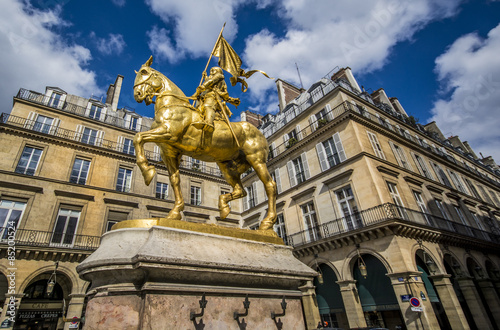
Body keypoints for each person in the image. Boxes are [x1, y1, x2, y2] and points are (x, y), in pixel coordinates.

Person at [192, 67, 240, 133]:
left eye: (213, 70)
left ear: (217, 71)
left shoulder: (219, 76)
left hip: (212, 96)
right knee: (197, 109)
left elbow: (211, 82)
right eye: (211, 70)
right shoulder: (211, 77)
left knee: (208, 106)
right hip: (203, 97)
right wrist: (205, 77)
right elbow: (209, 83)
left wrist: (203, 86)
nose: (211, 71)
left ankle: (209, 123)